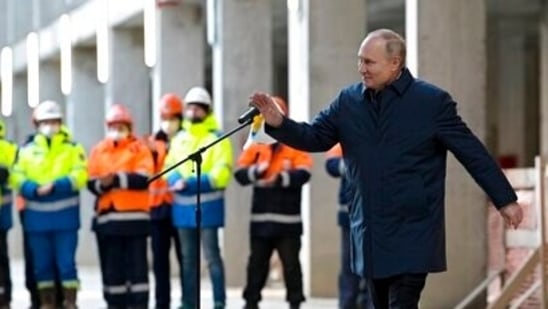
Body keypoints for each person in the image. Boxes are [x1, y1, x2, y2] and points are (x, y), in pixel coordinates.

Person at [249, 28, 523, 308]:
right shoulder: (348, 102)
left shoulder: (431, 103)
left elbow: (472, 152)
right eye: (359, 60)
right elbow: (314, 136)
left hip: (413, 229)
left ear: (395, 63)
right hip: (369, 230)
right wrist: (279, 123)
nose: (361, 69)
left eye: (369, 62)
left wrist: (505, 199)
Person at [234, 97, 312, 309]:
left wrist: (280, 178)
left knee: (291, 266)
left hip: (288, 221)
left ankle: (295, 303)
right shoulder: (256, 144)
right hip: (261, 221)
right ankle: (250, 302)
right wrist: (257, 172)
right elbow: (239, 174)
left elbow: (305, 173)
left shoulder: (294, 143)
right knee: (257, 265)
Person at [12, 100, 88, 309]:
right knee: (42, 267)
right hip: (37, 220)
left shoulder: (72, 148)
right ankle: (47, 304)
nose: (50, 126)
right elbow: (16, 176)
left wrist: (57, 185)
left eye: (54, 121)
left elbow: (81, 174)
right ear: (37, 124)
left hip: (65, 220)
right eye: (45, 122)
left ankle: (70, 303)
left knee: (66, 266)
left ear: (60, 122)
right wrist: (32, 189)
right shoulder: (27, 150)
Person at [164, 86, 233, 309]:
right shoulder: (179, 139)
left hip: (208, 208)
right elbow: (169, 166)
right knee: (187, 260)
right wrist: (174, 180)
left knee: (212, 258)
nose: (193, 112)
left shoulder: (218, 138)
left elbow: (221, 174)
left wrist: (192, 183)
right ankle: (188, 303)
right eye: (190, 108)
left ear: (207, 110)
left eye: (197, 108)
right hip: (182, 209)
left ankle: (219, 302)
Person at [87, 104, 154, 309]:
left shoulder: (139, 148)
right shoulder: (99, 150)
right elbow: (91, 181)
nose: (117, 129)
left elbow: (144, 178)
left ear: (129, 127)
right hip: (107, 223)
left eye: (121, 125)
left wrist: (115, 179)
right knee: (112, 272)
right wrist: (102, 184)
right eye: (113, 125)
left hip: (135, 222)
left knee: (137, 272)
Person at [147, 93, 185, 309]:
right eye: (165, 117)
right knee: (160, 264)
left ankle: (187, 302)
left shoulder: (186, 141)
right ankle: (162, 304)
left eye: (172, 118)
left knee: (185, 261)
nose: (168, 123)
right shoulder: (152, 144)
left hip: (180, 207)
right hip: (157, 210)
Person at [325, 143, 367, 309]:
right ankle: (347, 304)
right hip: (350, 214)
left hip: (377, 215)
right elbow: (331, 164)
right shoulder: (347, 132)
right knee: (350, 265)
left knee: (374, 267)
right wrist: (354, 166)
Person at [0, 119, 17, 309]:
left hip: (1, 216)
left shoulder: (7, 148)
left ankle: (4, 299)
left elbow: (16, 174)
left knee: (1, 259)